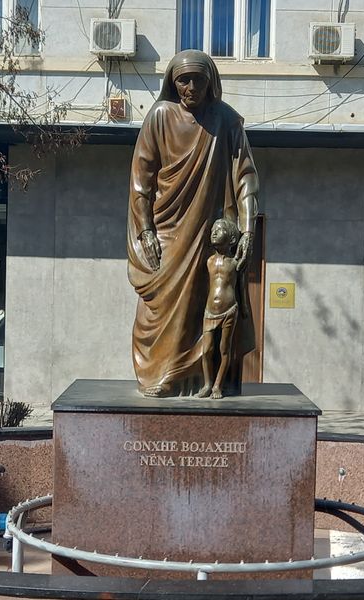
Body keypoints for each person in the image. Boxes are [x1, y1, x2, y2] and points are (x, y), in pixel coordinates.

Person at [127, 50, 259, 397]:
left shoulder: (226, 120)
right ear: (172, 82)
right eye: (183, 80)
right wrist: (145, 230)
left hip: (210, 232)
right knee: (158, 305)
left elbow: (244, 175)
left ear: (210, 82)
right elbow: (142, 181)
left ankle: (203, 380)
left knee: (204, 303)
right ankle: (160, 373)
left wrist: (247, 228)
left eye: (198, 80)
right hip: (166, 226)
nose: (190, 87)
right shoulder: (159, 116)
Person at [197, 219, 249, 399]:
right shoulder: (209, 261)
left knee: (224, 349)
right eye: (213, 229)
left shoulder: (235, 264)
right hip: (209, 311)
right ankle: (207, 384)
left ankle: (218, 386)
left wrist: (244, 309)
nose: (214, 232)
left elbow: (241, 287)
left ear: (232, 239)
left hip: (229, 310)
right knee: (206, 350)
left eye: (219, 230)